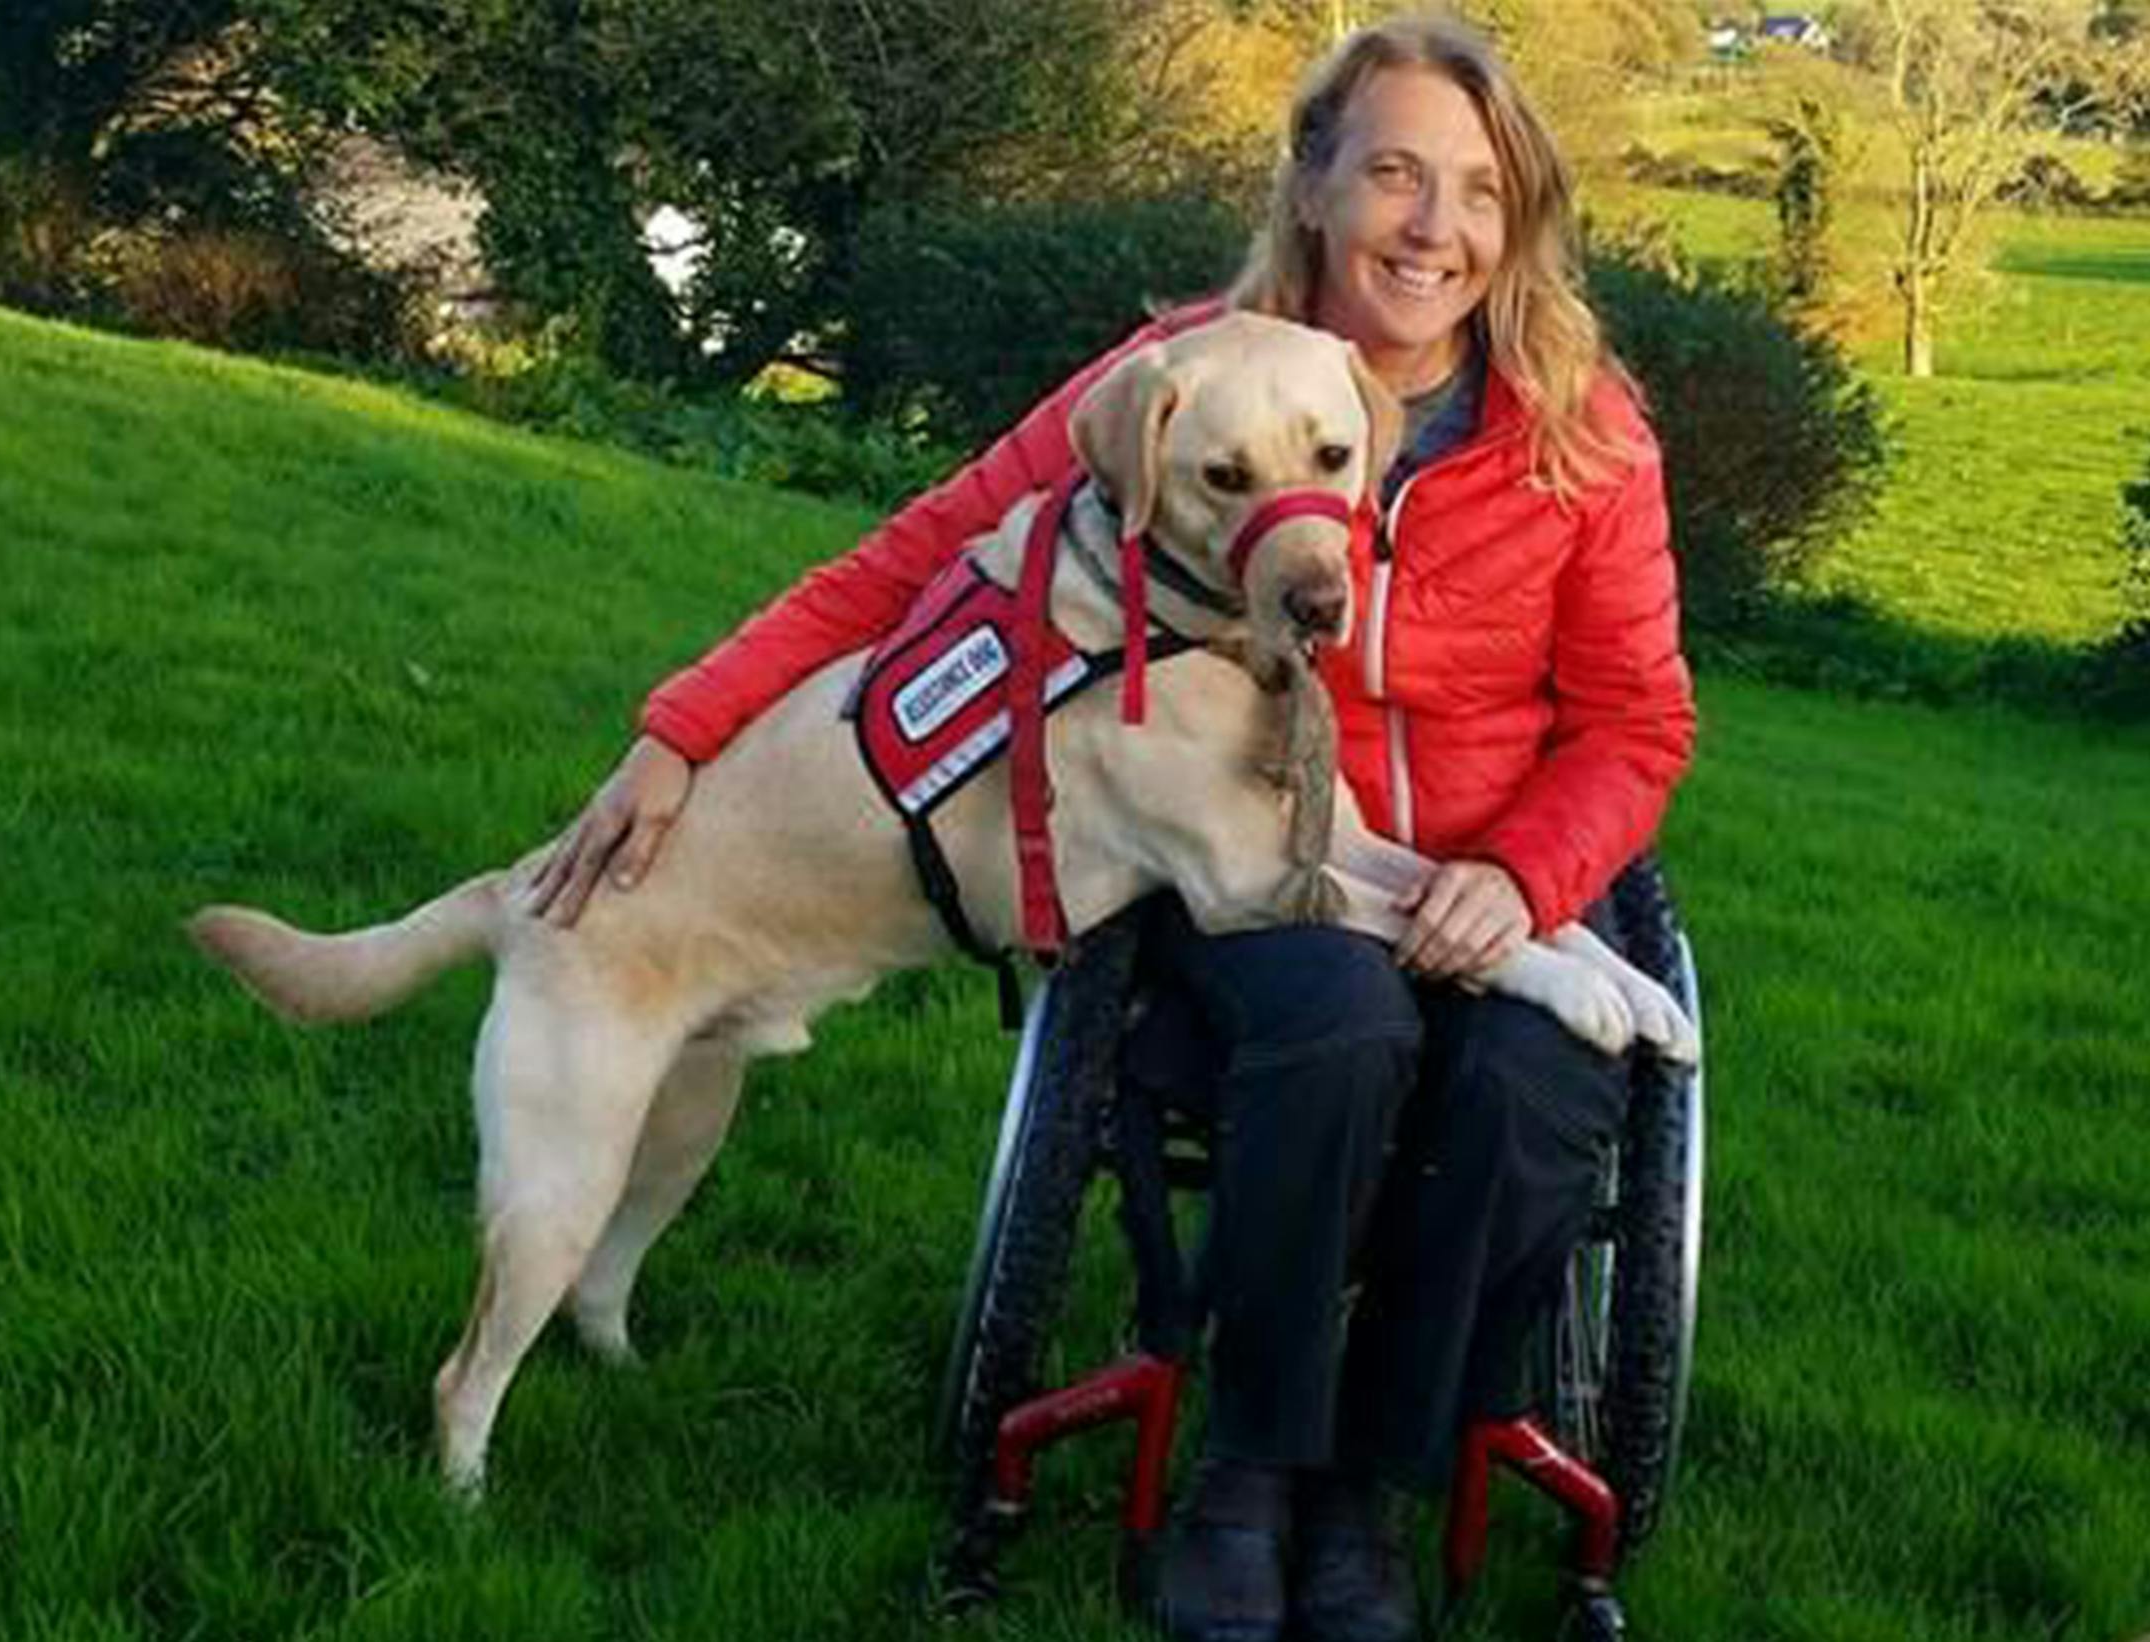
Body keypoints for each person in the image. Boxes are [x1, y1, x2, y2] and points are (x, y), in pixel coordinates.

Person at [529, 16, 1694, 1642]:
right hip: (1245, 853)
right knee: (1337, 1028)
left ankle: (1360, 1490)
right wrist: (680, 728)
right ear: (1314, 187)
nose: (1437, 229)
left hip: (1503, 865)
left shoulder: (1586, 438)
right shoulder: (1179, 375)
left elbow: (1639, 722)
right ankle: (1250, 1467)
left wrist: (1523, 877)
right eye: (1397, 176)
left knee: (1528, 1085)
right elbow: (916, 557)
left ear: (1522, 219)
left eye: (1481, 191)